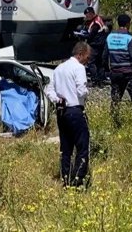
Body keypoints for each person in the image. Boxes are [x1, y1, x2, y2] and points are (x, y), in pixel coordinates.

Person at [44, 42, 91, 188]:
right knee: (82, 147)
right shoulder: (79, 68)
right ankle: (77, 181)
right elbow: (81, 90)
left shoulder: (59, 68)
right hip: (75, 110)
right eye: (87, 57)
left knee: (66, 149)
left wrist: (57, 99)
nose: (87, 60)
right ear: (80, 54)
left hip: (61, 111)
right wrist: (87, 93)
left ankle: (66, 179)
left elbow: (48, 89)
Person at [105, 14, 132, 127]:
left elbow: (104, 56)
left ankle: (115, 122)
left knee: (116, 98)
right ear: (128, 24)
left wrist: (107, 71)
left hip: (115, 73)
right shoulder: (128, 38)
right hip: (128, 73)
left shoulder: (110, 37)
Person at [82, 7, 108, 86]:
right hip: (100, 44)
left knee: (91, 62)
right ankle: (101, 79)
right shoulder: (97, 19)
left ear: (91, 14)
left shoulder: (96, 23)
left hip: (95, 44)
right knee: (99, 62)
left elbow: (91, 35)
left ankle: (95, 79)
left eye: (87, 15)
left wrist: (83, 36)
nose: (86, 17)